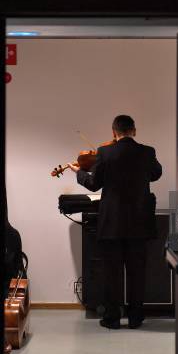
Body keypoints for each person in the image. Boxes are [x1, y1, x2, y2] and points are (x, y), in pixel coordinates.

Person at [68, 115, 162, 329]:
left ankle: (112, 318)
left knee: (112, 273)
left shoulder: (105, 152)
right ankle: (136, 318)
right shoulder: (148, 152)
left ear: (114, 132)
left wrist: (79, 172)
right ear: (134, 131)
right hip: (139, 223)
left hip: (112, 223)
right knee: (138, 272)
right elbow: (156, 174)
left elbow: (93, 184)